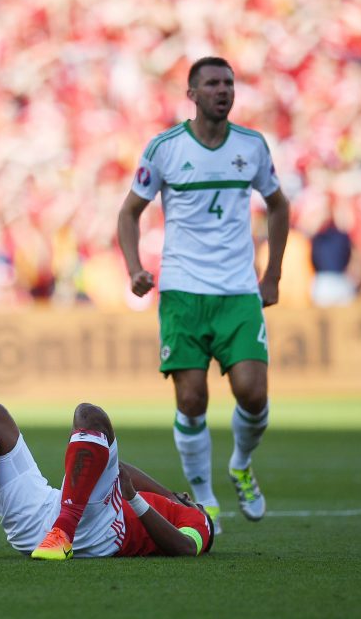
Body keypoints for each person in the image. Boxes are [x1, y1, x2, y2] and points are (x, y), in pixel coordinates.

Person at [116, 56, 290, 533]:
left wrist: (272, 272)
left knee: (253, 394)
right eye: (212, 83)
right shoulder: (165, 148)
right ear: (191, 94)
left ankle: (240, 465)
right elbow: (129, 212)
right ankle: (207, 499)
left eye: (229, 83)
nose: (223, 90)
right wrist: (134, 268)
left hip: (237, 290)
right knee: (192, 400)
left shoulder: (252, 146)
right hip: (182, 292)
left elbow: (278, 204)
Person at [0, 402, 214, 560]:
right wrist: (169, 493)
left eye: (190, 499)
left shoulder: (198, 520)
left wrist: (137, 499)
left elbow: (186, 548)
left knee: (90, 417)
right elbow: (120, 470)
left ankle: (63, 533)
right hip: (47, 518)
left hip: (97, 532)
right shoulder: (167, 498)